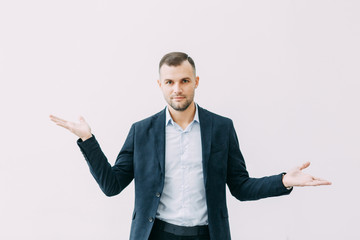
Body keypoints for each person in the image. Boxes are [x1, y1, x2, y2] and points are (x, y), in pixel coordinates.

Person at [50, 52, 331, 240]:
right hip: (156, 234)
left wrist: (284, 180)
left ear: (195, 82)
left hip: (208, 235)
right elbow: (112, 185)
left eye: (184, 81)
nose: (177, 89)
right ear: (159, 85)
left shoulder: (221, 128)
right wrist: (88, 140)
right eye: (170, 82)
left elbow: (241, 187)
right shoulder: (142, 132)